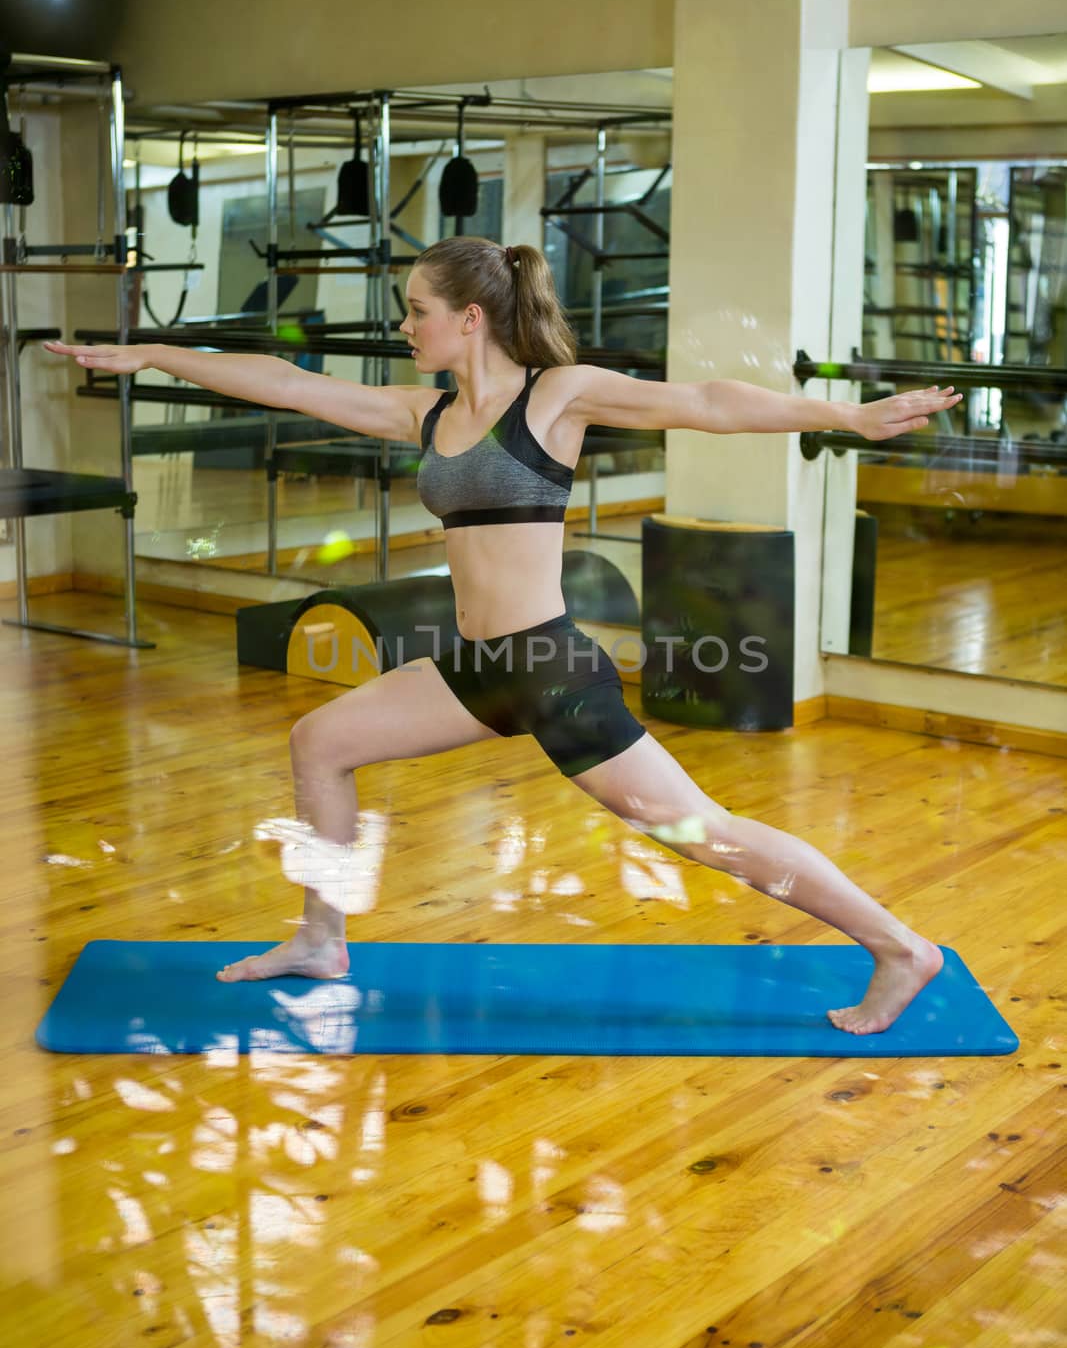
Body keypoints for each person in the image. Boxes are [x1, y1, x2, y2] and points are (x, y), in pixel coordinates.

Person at [45, 236, 963, 1034]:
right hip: (476, 669)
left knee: (706, 835)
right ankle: (321, 938)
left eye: (416, 311)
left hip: (550, 671)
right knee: (320, 741)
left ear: (471, 317)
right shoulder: (429, 412)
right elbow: (290, 384)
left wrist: (845, 416)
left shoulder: (557, 397)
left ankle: (899, 947)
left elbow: (709, 402)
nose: (405, 327)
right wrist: (161, 353)